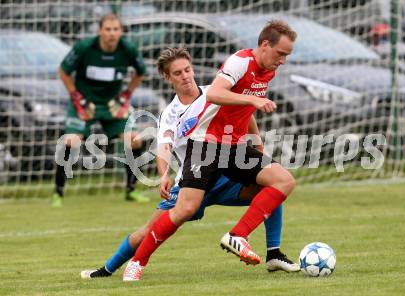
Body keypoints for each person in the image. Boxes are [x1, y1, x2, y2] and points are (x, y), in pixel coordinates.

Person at [80, 47, 299, 279]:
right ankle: (108, 269)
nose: (185, 76)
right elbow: (164, 146)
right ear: (167, 77)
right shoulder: (171, 113)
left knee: (272, 187)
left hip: (224, 175)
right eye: (177, 73)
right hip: (192, 181)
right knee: (148, 231)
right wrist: (164, 174)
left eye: (187, 69)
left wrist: (257, 146)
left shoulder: (214, 92)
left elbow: (246, 113)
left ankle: (273, 253)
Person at [51, 13, 150, 207]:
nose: (112, 33)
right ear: (100, 31)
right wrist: (76, 97)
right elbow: (63, 71)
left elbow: (141, 72)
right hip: (85, 101)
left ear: (121, 31)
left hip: (112, 103)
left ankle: (131, 190)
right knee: (71, 141)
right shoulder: (84, 47)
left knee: (135, 139)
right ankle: (58, 193)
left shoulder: (127, 49)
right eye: (108, 29)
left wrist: (126, 95)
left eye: (116, 29)